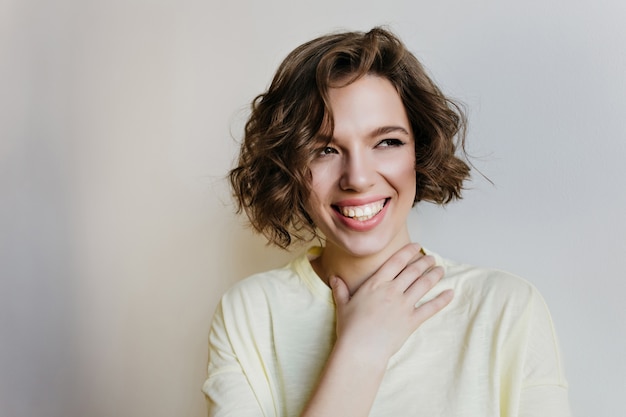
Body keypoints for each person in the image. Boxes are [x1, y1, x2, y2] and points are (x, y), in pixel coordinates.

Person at [203, 27, 571, 417]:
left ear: (419, 150)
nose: (358, 177)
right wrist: (361, 351)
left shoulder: (506, 308)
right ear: (290, 166)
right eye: (324, 149)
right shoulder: (250, 313)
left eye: (387, 142)